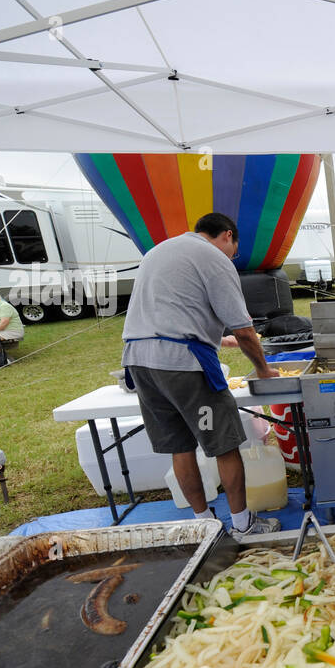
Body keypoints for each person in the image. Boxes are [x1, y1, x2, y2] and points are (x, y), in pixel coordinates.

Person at [121, 212, 281, 541]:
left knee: (180, 447)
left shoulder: (159, 251)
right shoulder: (214, 257)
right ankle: (243, 525)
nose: (231, 256)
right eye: (233, 250)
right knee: (224, 444)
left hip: (139, 363)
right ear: (227, 236)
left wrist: (216, 339)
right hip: (185, 367)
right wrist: (264, 370)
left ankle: (202, 526)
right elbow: (245, 328)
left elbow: (169, 310)